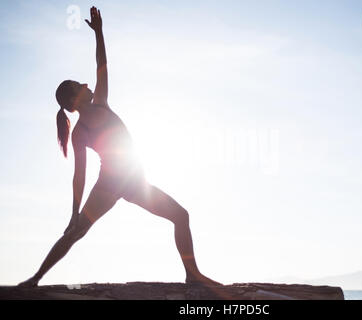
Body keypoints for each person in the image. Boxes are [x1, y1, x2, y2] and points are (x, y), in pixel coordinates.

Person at [18, 6, 220, 288]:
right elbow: (79, 175)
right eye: (80, 85)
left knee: (179, 217)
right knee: (78, 232)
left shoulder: (100, 101)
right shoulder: (82, 131)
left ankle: (191, 273)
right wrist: (74, 213)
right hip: (115, 183)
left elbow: (102, 64)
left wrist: (99, 33)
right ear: (74, 101)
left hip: (130, 181)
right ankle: (35, 279)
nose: (88, 83)